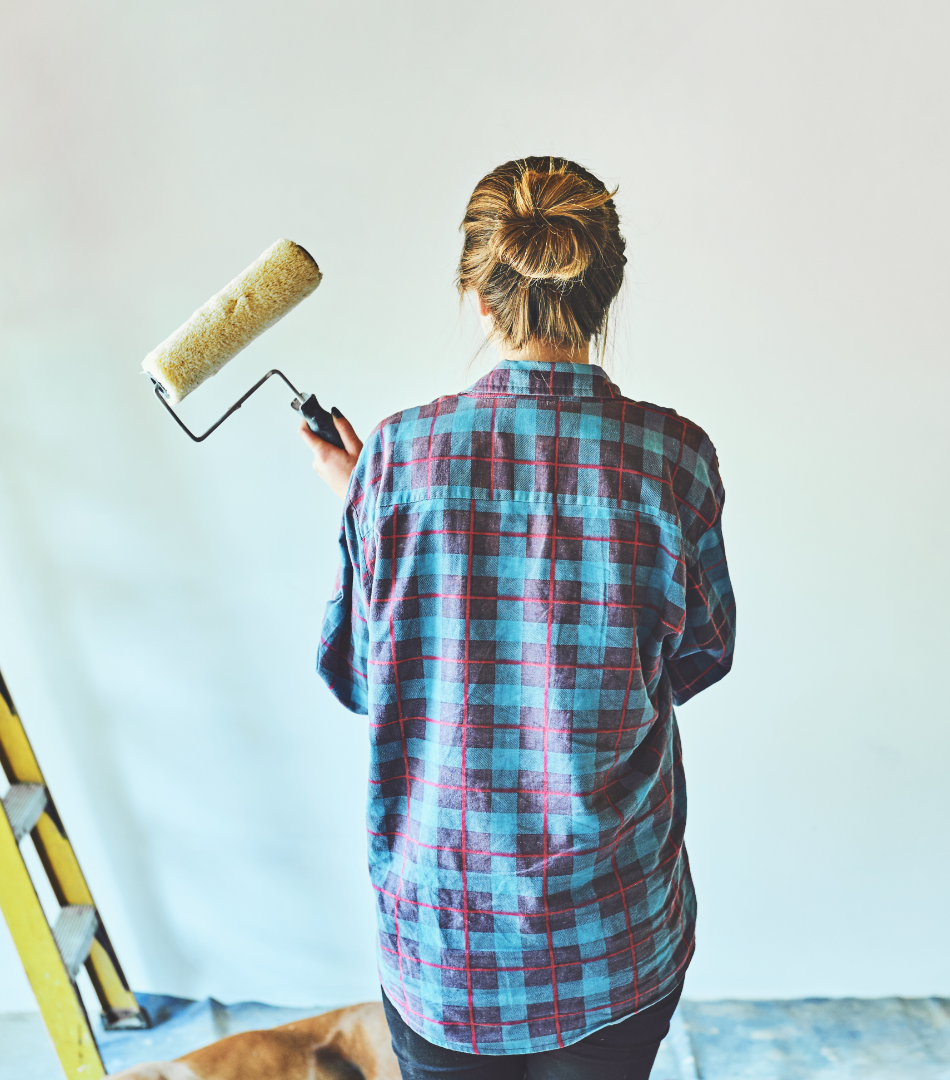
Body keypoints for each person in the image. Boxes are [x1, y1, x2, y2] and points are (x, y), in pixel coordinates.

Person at [297, 156, 736, 1080]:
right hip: (615, 930)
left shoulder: (395, 464)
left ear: (480, 297)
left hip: (449, 944)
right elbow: (697, 657)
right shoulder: (677, 459)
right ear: (604, 293)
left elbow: (365, 680)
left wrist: (363, 506)